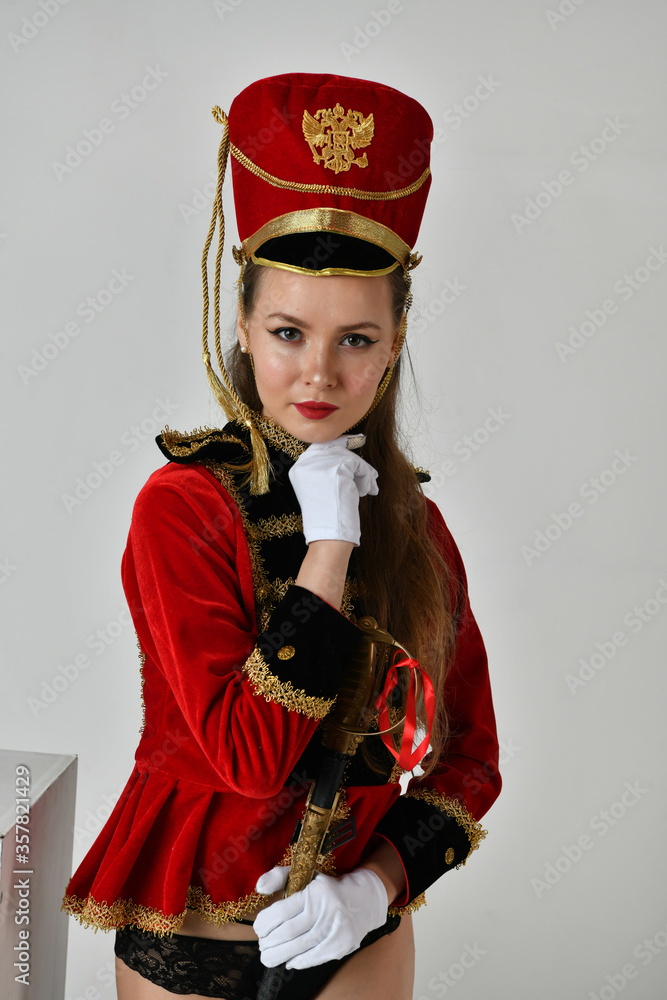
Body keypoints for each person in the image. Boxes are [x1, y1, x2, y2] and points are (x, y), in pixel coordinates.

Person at [62, 72, 502, 999]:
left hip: (359, 936)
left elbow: (470, 761)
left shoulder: (417, 526)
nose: (317, 374)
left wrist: (374, 887)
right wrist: (329, 546)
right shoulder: (181, 507)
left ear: (394, 343)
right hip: (193, 927)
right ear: (243, 324)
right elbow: (248, 759)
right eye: (288, 332)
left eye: (355, 339)